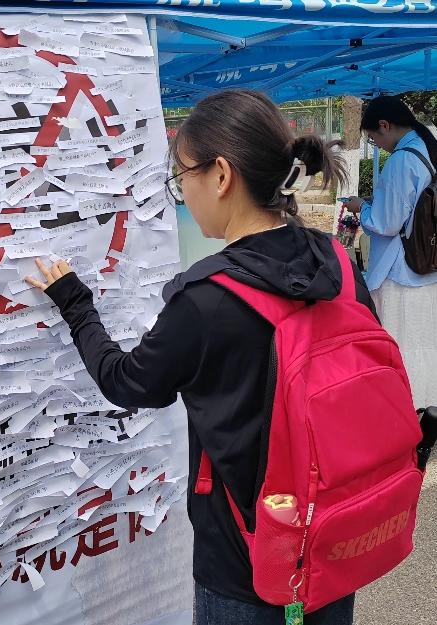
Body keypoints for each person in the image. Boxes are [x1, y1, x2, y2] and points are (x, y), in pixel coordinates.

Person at [26, 89, 376, 625]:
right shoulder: (338, 265)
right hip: (332, 532)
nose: (182, 191)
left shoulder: (207, 299)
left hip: (243, 562)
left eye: (182, 175)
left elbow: (126, 382)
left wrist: (75, 303)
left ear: (221, 175)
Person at [343, 95, 437, 409]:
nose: (377, 146)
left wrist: (362, 207)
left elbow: (386, 222)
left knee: (402, 346)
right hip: (426, 263)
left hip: (401, 270)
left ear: (385, 125)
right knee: (425, 345)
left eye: (373, 138)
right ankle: (426, 409)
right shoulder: (427, 148)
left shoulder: (402, 160)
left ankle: (406, 408)